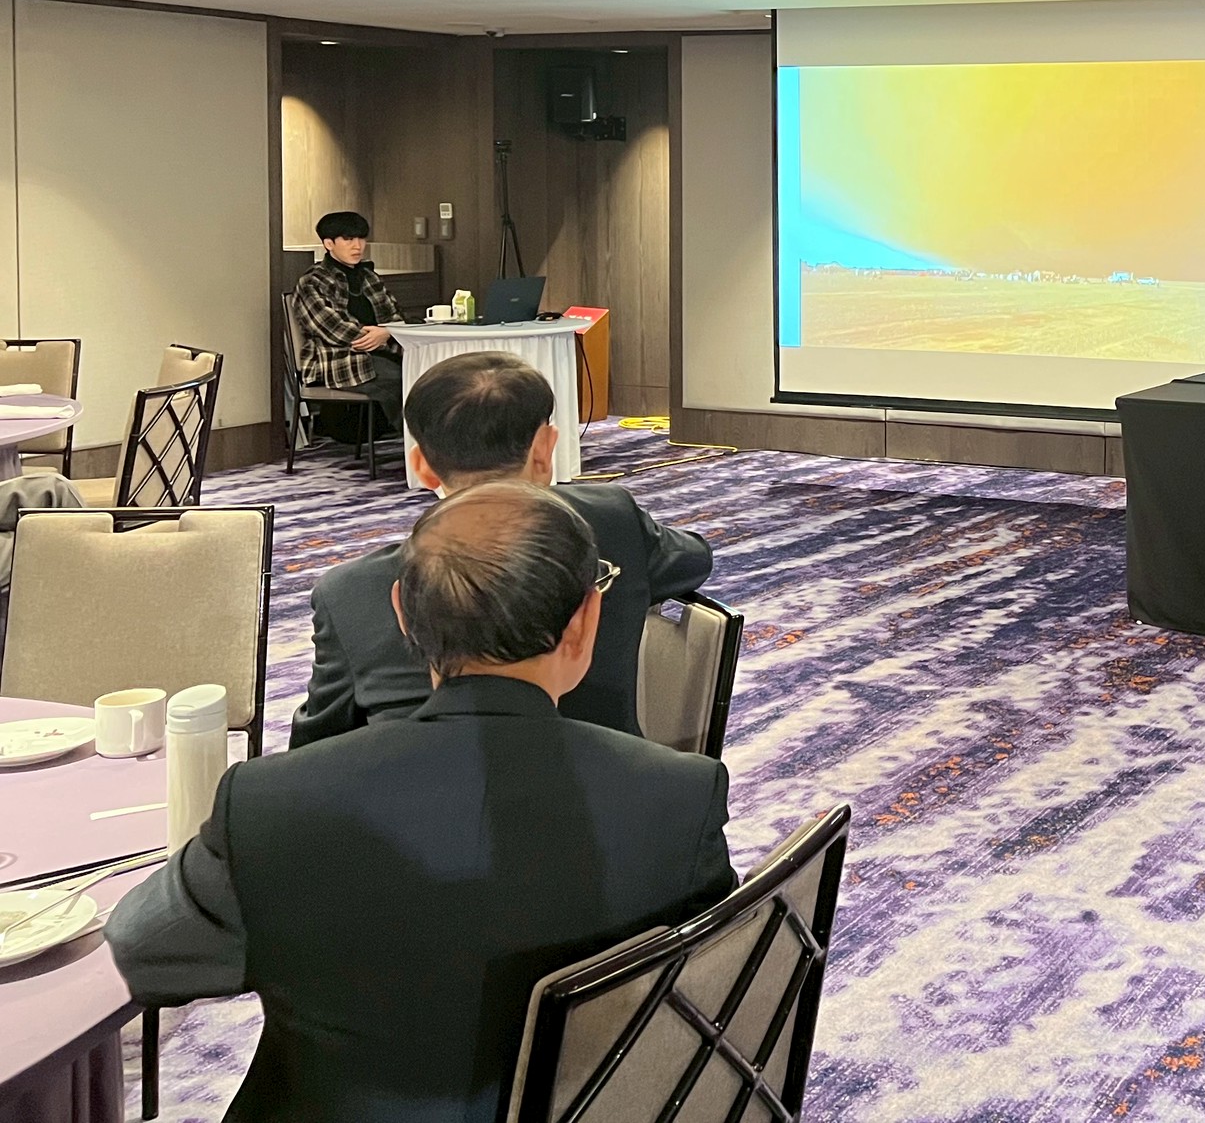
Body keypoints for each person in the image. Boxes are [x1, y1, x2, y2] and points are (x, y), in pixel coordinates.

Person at [108, 480, 735, 1121]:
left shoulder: (271, 802)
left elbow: (144, 953)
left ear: (402, 615)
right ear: (585, 622)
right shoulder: (681, 797)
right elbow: (721, 989)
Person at [290, 350, 713, 746]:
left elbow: (318, 745)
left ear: (421, 466)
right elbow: (693, 560)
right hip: (613, 784)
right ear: (544, 450)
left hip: (416, 797)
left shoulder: (348, 592)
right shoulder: (612, 521)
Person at [291, 209, 406, 438]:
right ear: (329, 244)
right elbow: (334, 328)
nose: (358, 246)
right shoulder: (313, 281)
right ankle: (420, 447)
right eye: (348, 239)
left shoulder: (369, 277)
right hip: (339, 359)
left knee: (429, 374)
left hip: (383, 352)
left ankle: (429, 445)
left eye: (362, 238)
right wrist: (382, 335)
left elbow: (394, 315)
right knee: (402, 381)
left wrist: (386, 332)